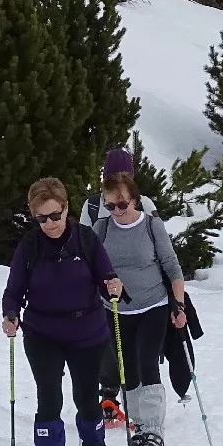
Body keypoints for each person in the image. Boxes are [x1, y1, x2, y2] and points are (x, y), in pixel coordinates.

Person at [2, 178, 125, 446]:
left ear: (66, 208)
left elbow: (107, 276)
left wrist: (113, 285)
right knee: (49, 399)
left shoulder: (85, 239)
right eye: (42, 218)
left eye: (55, 215)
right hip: (43, 334)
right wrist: (10, 315)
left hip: (87, 332)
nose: (50, 224)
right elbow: (13, 290)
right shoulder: (30, 246)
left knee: (86, 398)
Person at [92, 172, 185, 446]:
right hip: (115, 309)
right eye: (110, 206)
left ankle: (154, 434)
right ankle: (141, 428)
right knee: (127, 370)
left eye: (122, 204)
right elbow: (91, 267)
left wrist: (179, 304)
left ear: (134, 199)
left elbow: (172, 266)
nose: (117, 211)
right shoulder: (101, 228)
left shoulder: (150, 225)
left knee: (147, 363)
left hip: (153, 304)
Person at [80, 147, 157, 429]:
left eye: (125, 174)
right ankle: (109, 397)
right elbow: (83, 243)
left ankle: (141, 401)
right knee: (107, 341)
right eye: (114, 175)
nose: (119, 180)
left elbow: (156, 239)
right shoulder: (92, 206)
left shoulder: (143, 203)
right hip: (103, 285)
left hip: (141, 288)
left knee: (137, 346)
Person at [81, 148, 158, 224]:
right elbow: (83, 232)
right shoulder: (92, 205)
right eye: (110, 206)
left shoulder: (144, 204)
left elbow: (157, 229)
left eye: (123, 205)